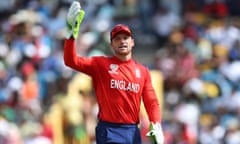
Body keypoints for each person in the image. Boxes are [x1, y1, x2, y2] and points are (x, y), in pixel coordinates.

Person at [63, 1, 164, 144]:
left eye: (125, 38)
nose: (122, 41)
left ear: (132, 42)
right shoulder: (101, 64)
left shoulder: (143, 71)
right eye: (117, 39)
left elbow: (151, 102)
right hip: (109, 130)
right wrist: (70, 36)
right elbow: (70, 61)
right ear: (111, 45)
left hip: (132, 132)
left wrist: (157, 124)